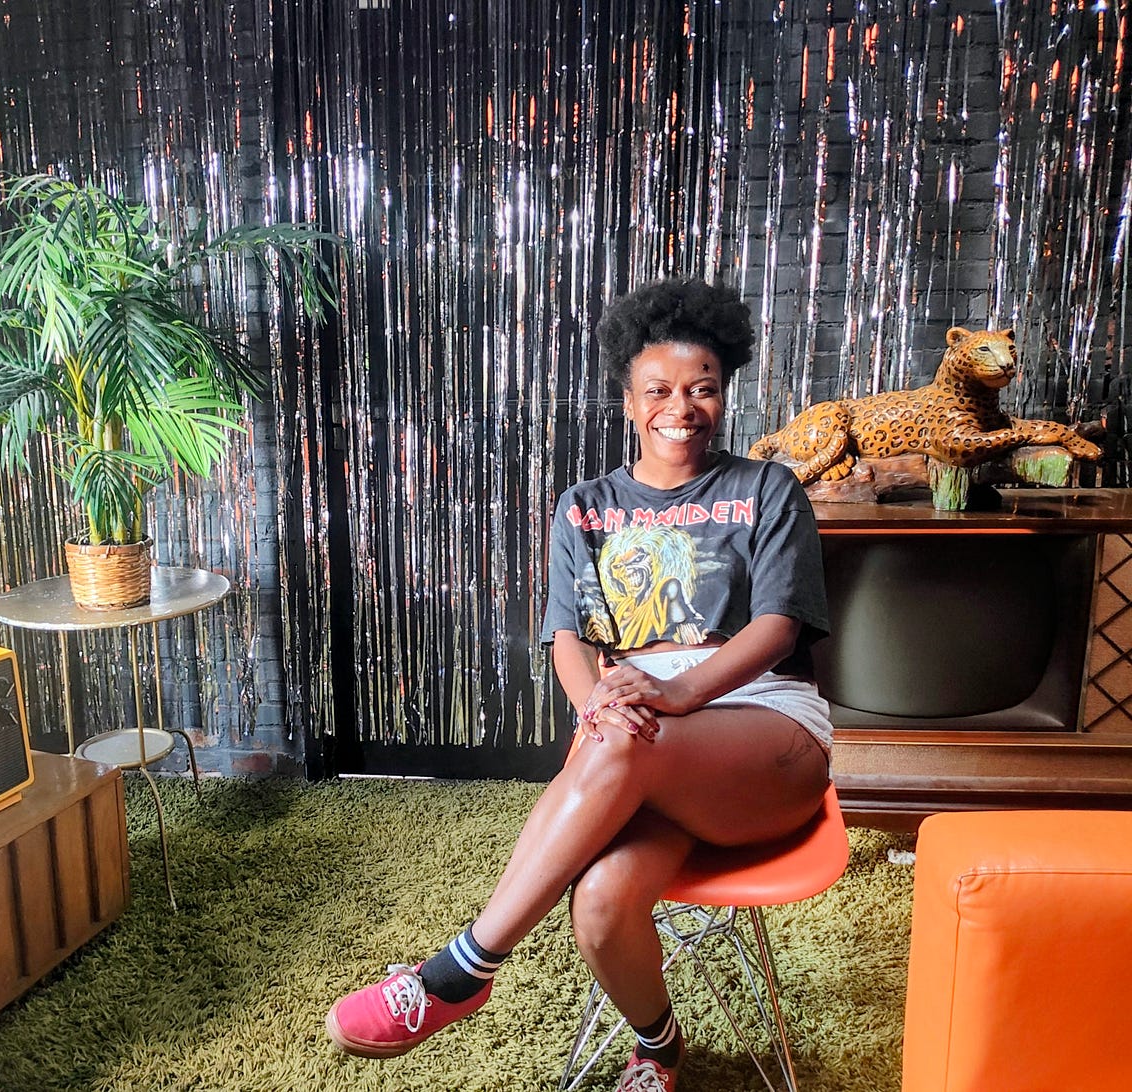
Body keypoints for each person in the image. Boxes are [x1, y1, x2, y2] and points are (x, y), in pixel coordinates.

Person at [324, 278, 833, 1092]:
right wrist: (593, 702)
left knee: (627, 732)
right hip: (637, 741)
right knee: (599, 904)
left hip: (759, 731)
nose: (683, 406)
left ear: (724, 391)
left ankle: (462, 970)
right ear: (629, 400)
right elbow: (567, 638)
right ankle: (661, 1051)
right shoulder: (586, 506)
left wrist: (672, 694)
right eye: (660, 390)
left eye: (702, 388)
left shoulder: (765, 489)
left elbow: (775, 630)